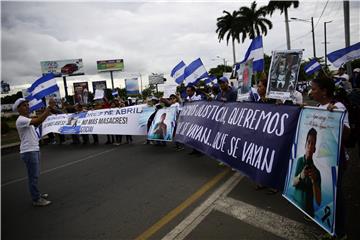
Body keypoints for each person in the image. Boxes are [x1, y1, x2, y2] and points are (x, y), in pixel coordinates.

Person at [310, 74, 350, 239]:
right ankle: (329, 228)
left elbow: (346, 134)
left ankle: (340, 233)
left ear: (324, 91)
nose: (311, 92)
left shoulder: (338, 107)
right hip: (322, 159)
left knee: (335, 195)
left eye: (314, 89)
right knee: (326, 194)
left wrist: (336, 118)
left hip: (335, 159)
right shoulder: (318, 106)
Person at [13, 98, 52, 206]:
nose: (27, 107)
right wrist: (48, 109)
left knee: (35, 175)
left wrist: (46, 115)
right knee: (33, 176)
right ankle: (36, 199)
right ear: (18, 108)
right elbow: (38, 121)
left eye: (27, 105)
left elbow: (37, 122)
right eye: (24, 105)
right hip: (29, 151)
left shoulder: (26, 119)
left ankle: (37, 194)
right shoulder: (21, 120)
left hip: (34, 149)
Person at [292, 128, 321, 218]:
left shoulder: (317, 172)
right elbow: (293, 183)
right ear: (305, 144)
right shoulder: (300, 161)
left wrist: (314, 181)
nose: (310, 146)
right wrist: (301, 175)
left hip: (308, 213)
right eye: (308, 142)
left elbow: (318, 201)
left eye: (312, 144)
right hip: (296, 206)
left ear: (315, 149)